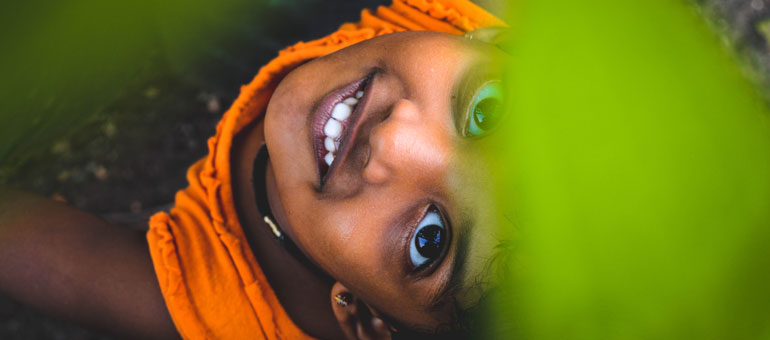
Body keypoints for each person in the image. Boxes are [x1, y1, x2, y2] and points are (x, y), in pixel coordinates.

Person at [0, 0, 510, 339]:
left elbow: (47, 256)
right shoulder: (443, 26)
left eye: (430, 240)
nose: (395, 137)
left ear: (365, 321)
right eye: (487, 113)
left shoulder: (233, 310)